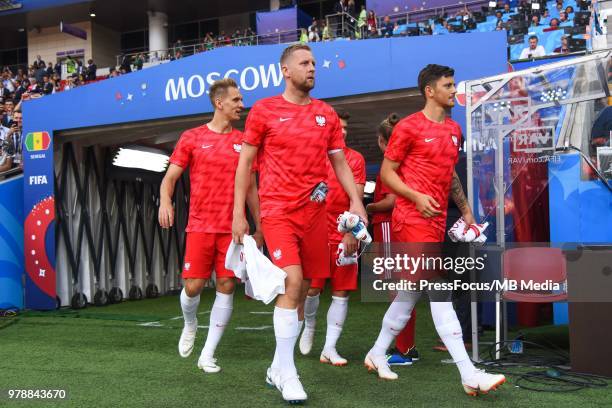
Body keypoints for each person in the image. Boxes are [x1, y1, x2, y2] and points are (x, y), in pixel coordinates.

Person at [232, 44, 367, 404]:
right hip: (278, 213)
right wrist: (238, 214)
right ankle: (288, 374)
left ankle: (276, 366)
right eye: (304, 63)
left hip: (316, 215)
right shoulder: (263, 111)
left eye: (314, 63)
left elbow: (339, 163)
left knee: (305, 287)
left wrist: (356, 200)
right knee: (291, 283)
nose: (312, 68)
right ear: (285, 71)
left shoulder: (326, 114)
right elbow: (245, 165)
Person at [363, 64, 506, 396]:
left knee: (411, 293)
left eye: (454, 85)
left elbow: (449, 174)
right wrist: (414, 196)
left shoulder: (455, 129)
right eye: (449, 85)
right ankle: (468, 373)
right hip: (410, 220)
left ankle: (376, 351)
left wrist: (467, 210)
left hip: (436, 220)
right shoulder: (409, 128)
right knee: (438, 286)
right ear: (430, 91)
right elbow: (387, 173)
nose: (455, 90)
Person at [158, 78, 262, 374]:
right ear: (220, 103)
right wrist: (165, 202)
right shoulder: (191, 137)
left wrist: (260, 225)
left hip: (233, 231)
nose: (242, 105)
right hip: (200, 227)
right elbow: (170, 178)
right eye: (236, 100)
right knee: (193, 286)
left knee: (227, 285)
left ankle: (208, 354)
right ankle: (190, 323)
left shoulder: (244, 142)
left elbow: (252, 188)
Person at [299, 108, 365, 366]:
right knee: (312, 288)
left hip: (344, 234)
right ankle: (310, 326)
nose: (343, 131)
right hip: (315, 232)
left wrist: (350, 232)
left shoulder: (355, 159)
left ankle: (329, 348)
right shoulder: (312, 157)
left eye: (346, 128)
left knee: (342, 291)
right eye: (339, 127)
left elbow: (356, 197)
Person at [367, 113, 420, 366]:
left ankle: (403, 350)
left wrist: (368, 207)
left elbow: (391, 201)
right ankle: (407, 347)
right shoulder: (407, 163)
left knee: (396, 289)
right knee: (403, 289)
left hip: (389, 226)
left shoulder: (393, 165)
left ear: (381, 140)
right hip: (400, 227)